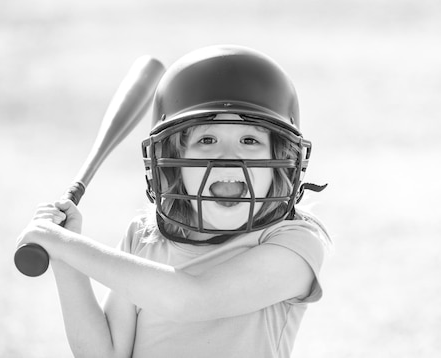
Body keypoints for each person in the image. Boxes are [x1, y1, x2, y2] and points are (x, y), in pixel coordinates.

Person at [17, 44, 331, 358]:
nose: (228, 156)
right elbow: (104, 354)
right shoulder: (145, 237)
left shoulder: (294, 243)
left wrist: (62, 243)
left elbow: (193, 298)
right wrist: (65, 257)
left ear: (282, 160)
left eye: (250, 140)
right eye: (206, 139)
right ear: (173, 162)